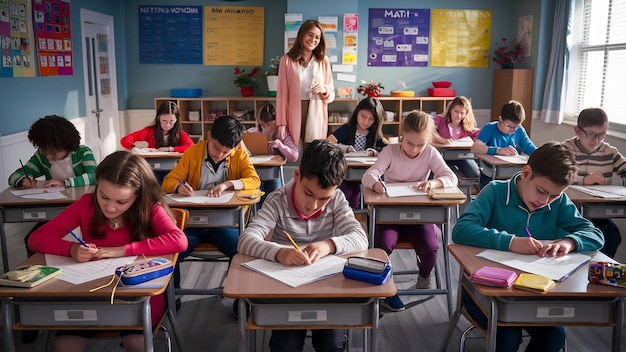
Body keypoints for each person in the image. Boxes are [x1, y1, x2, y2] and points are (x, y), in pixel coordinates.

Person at [27, 151, 187, 352]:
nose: (110, 208)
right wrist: (71, 248)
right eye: (103, 196)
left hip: (137, 292)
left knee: (136, 343)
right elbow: (36, 238)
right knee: (64, 346)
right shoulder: (86, 204)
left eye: (121, 202)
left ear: (138, 195)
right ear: (97, 186)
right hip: (90, 289)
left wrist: (122, 251)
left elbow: (179, 240)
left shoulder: (149, 208)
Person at [453, 141, 604, 352]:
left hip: (536, 294)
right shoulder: (495, 192)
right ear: (525, 173)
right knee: (507, 338)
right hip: (487, 293)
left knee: (555, 337)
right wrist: (510, 242)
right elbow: (461, 230)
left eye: (554, 195)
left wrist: (569, 242)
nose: (545, 201)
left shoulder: (557, 202)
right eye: (541, 191)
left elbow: (595, 234)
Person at [238, 139, 368, 352]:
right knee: (285, 346)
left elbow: (360, 238)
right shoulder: (277, 200)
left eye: (323, 198)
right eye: (308, 193)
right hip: (285, 290)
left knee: (332, 343)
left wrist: (328, 245)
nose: (313, 205)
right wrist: (279, 252)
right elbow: (246, 239)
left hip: (326, 290)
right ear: (296, 176)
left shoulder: (337, 200)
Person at [361, 110, 458, 312]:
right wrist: (377, 185)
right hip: (390, 214)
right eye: (409, 143)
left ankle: (425, 276)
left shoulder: (430, 152)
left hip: (420, 214)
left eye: (420, 144)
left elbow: (451, 177)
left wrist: (435, 182)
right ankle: (383, 286)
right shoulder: (390, 151)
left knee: (431, 248)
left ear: (428, 140)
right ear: (401, 136)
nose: (414, 149)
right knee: (382, 246)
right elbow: (369, 176)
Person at [162, 115, 260, 288]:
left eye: (225, 152)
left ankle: (239, 299)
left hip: (225, 224)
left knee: (243, 252)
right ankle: (172, 298)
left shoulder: (239, 154)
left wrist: (229, 184)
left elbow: (254, 180)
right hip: (192, 223)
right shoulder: (192, 153)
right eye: (215, 147)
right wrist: (178, 187)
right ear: (209, 135)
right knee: (171, 251)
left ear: (235, 147)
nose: (219, 154)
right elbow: (168, 181)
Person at [8, 114, 97, 258]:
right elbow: (14, 176)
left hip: (81, 207)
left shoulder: (82, 153)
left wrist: (65, 183)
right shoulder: (41, 157)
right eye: (45, 152)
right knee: (32, 239)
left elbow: (94, 176)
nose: (49, 157)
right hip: (54, 206)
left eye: (54, 153)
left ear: (67, 144)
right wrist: (22, 180)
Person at [562, 108, 626, 257]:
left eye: (602, 135)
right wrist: (583, 180)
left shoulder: (609, 152)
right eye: (591, 134)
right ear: (577, 131)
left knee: (613, 237)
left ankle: (597, 268)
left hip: (599, 212)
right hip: (570, 211)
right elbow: (556, 176)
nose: (596, 140)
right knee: (576, 239)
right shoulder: (565, 149)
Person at [276, 19, 335, 148]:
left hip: (316, 111)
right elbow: (281, 95)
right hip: (293, 110)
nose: (313, 39)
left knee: (313, 152)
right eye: (310, 34)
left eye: (317, 37)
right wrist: (281, 123)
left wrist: (324, 89)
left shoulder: (323, 61)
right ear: (302, 34)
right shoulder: (286, 61)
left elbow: (331, 94)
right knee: (293, 152)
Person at [327, 97, 388, 208]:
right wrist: (346, 148)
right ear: (357, 113)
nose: (365, 122)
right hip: (347, 171)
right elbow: (329, 142)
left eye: (371, 119)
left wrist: (375, 151)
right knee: (350, 195)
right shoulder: (347, 128)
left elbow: (387, 149)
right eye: (363, 116)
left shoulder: (374, 133)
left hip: (368, 171)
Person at [471, 100, 536, 189]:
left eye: (516, 127)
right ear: (500, 119)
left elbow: (530, 147)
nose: (513, 130)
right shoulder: (490, 128)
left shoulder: (520, 130)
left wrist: (542, 155)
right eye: (509, 126)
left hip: (513, 173)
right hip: (489, 173)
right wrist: (498, 150)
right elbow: (475, 148)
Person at [244, 103, 298, 204]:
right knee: (255, 195)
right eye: (263, 125)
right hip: (256, 170)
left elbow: (294, 156)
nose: (267, 128)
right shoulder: (257, 131)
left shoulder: (283, 133)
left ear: (277, 121)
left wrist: (280, 145)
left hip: (273, 171)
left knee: (274, 198)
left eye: (269, 124)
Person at [431, 96, 481, 178]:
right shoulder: (440, 120)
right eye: (456, 111)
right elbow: (428, 131)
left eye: (462, 113)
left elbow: (479, 136)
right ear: (450, 110)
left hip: (462, 157)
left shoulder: (467, 126)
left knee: (475, 173)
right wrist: (441, 140)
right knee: (452, 175)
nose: (458, 116)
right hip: (443, 157)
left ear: (466, 114)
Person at [120, 100, 194, 153]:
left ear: (176, 120)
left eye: (171, 121)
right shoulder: (150, 131)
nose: (167, 125)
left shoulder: (180, 133)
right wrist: (134, 148)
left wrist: (169, 149)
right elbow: (125, 139)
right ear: (158, 118)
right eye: (164, 121)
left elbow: (191, 147)